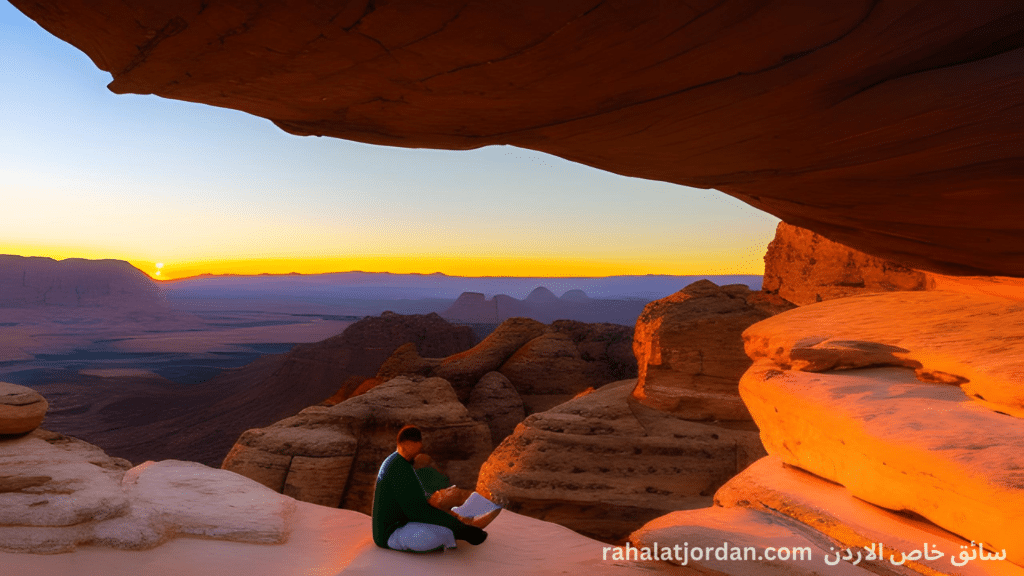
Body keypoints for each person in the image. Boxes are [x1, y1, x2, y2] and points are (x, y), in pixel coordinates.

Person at [371, 425, 488, 552]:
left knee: (444, 529)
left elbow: (415, 498)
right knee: (435, 535)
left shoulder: (400, 462)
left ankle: (454, 531)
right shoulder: (398, 467)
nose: (417, 452)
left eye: (418, 448)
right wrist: (462, 530)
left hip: (404, 522)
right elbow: (416, 511)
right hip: (390, 533)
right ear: (404, 444)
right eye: (413, 448)